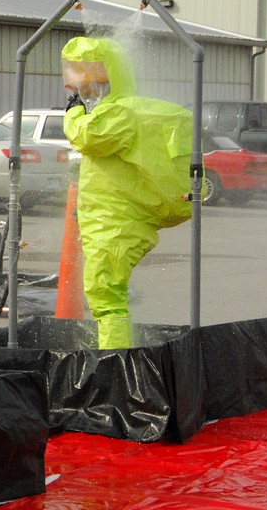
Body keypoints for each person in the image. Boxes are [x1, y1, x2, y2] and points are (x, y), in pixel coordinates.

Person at [61, 36, 192, 349]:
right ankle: (116, 359)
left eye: (88, 83)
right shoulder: (123, 110)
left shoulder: (118, 113)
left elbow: (85, 136)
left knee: (106, 295)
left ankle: (113, 367)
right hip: (114, 215)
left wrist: (73, 112)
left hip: (114, 220)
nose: (82, 90)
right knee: (108, 293)